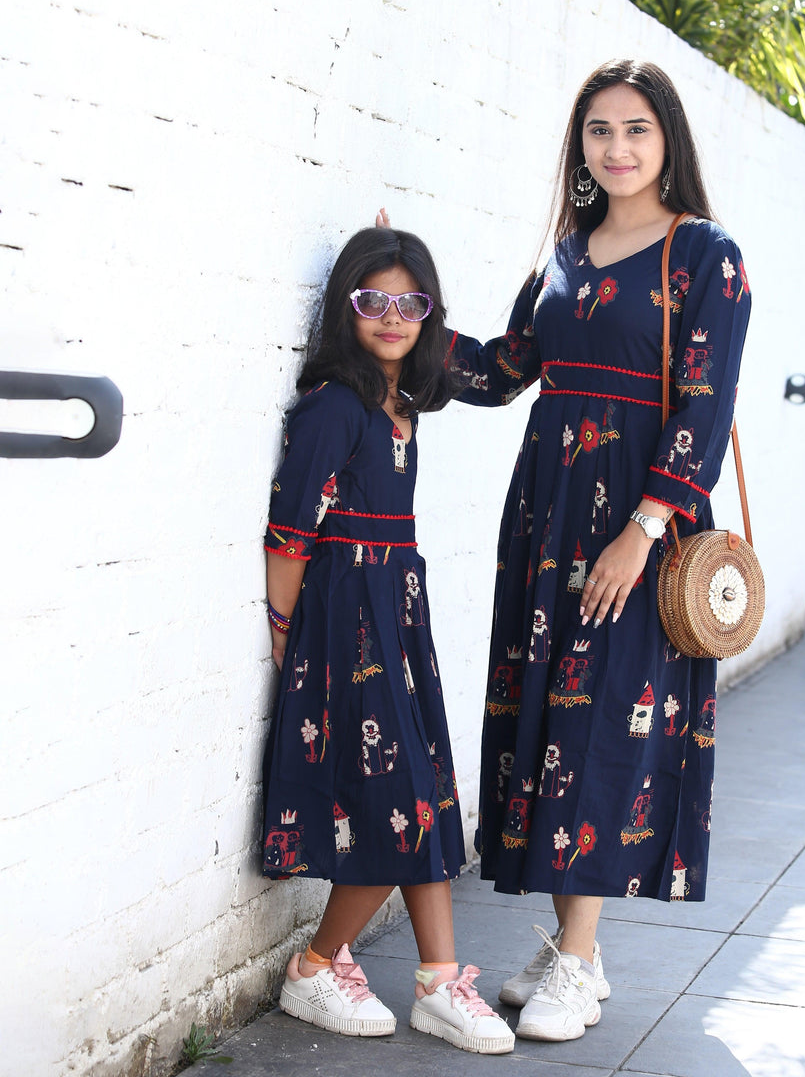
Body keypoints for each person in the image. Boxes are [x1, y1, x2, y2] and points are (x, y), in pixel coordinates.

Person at [446, 58, 752, 1041]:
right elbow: (500, 374)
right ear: (578, 148)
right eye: (598, 132)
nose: (616, 149)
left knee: (600, 728)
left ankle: (576, 961)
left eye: (636, 130)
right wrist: (396, 304)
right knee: (544, 722)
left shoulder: (704, 255)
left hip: (637, 527)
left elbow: (706, 408)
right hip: (547, 522)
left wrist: (645, 527)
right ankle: (573, 943)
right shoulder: (566, 256)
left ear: (667, 141)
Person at [260, 226, 514, 1054]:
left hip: (398, 609)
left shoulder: (403, 404)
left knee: (431, 791)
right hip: (345, 617)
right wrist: (283, 634)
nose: (393, 317)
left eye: (412, 303)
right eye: (374, 301)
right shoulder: (334, 406)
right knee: (402, 807)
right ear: (347, 307)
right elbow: (290, 533)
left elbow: (506, 372)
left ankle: (440, 980)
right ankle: (315, 967)